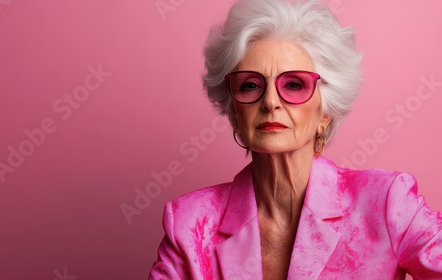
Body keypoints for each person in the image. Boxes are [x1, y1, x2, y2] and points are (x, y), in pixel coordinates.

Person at [149, 0, 442, 279]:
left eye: (293, 84)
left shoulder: (387, 203)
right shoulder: (190, 223)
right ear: (234, 110)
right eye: (251, 85)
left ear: (325, 111)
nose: (271, 102)